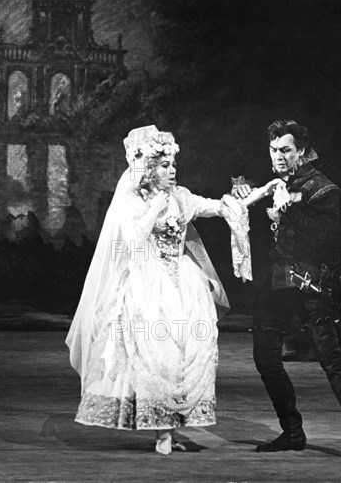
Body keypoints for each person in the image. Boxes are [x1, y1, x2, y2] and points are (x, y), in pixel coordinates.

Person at [66, 125, 254, 456]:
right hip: (146, 284)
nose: (171, 171)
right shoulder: (132, 201)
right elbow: (133, 241)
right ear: (149, 169)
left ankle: (174, 425)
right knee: (155, 358)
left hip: (182, 285)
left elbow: (217, 208)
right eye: (164, 166)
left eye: (173, 166)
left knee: (185, 357)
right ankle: (161, 431)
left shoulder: (181, 196)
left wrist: (249, 196)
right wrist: (154, 209)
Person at [232, 119, 341, 464]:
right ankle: (293, 432)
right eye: (273, 149)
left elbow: (328, 239)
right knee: (265, 356)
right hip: (276, 282)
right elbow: (250, 185)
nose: (278, 156)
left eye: (285, 150)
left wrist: (289, 208)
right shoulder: (278, 178)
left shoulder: (322, 188)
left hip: (311, 281)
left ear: (302, 151)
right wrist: (244, 188)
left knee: (331, 359)